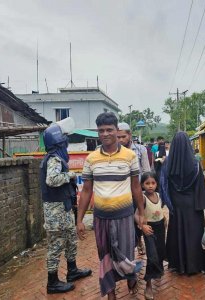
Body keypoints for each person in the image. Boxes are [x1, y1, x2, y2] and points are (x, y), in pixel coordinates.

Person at [77, 112, 145, 300]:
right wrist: (79, 220)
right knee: (105, 256)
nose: (105, 134)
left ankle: (131, 277)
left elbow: (136, 186)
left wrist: (141, 212)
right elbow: (86, 190)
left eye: (109, 130)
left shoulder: (130, 156)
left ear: (117, 131)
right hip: (101, 218)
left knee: (125, 255)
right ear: (97, 133)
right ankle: (111, 293)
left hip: (124, 216)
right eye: (101, 130)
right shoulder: (91, 159)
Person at [40, 118, 92, 294]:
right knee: (56, 245)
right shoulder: (54, 159)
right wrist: (69, 175)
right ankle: (52, 282)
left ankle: (72, 271)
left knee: (70, 240)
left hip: (64, 208)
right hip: (56, 211)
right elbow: (52, 180)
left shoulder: (56, 158)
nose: (67, 144)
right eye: (65, 140)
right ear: (59, 142)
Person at [160, 131, 205, 274]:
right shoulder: (195, 164)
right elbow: (201, 187)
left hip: (176, 204)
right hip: (193, 205)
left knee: (177, 232)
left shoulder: (167, 163)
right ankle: (195, 265)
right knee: (194, 233)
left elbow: (163, 184)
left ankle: (178, 264)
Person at [117, 122, 151, 256]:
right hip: (122, 193)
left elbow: (147, 171)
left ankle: (139, 241)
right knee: (126, 221)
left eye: (123, 137)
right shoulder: (115, 151)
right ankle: (131, 245)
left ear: (129, 135)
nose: (120, 140)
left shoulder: (140, 150)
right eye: (118, 137)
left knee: (139, 218)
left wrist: (146, 192)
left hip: (137, 192)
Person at [134, 172, 166, 300]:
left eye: (153, 183)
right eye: (147, 183)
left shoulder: (158, 195)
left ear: (157, 184)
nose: (150, 186)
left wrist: (164, 218)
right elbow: (136, 215)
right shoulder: (142, 198)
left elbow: (157, 210)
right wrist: (143, 226)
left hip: (160, 228)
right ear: (142, 185)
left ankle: (157, 271)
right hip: (149, 229)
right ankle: (148, 284)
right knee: (152, 256)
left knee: (160, 253)